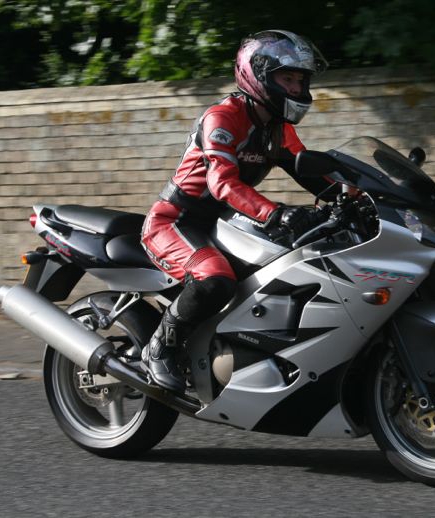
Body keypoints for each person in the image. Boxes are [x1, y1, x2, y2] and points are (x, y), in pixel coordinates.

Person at [140, 30, 329, 393]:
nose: (294, 88)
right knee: (215, 278)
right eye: (286, 78)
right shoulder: (223, 118)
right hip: (175, 222)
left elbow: (313, 173)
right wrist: (276, 214)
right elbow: (222, 184)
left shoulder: (277, 128)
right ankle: (159, 348)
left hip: (222, 223)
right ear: (257, 75)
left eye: (299, 80)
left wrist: (359, 195)